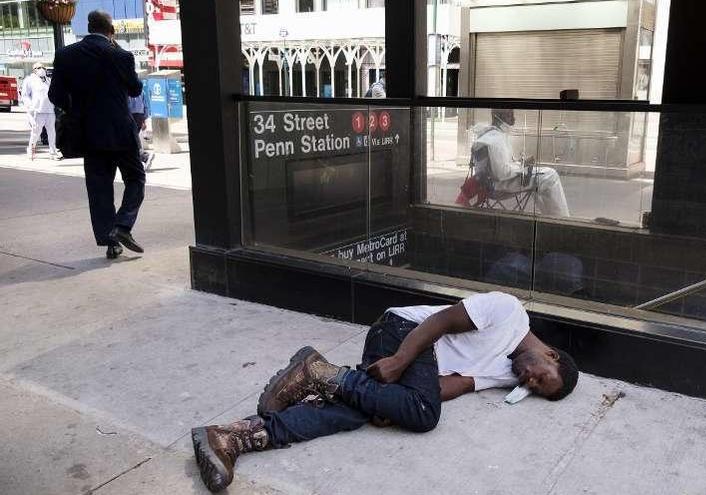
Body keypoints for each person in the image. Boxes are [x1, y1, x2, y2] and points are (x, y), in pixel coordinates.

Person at [191, 291, 580, 492]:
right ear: (550, 355)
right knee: (424, 417)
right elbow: (440, 321)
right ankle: (322, 375)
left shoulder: (508, 375)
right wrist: (398, 364)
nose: (529, 382)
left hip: (416, 368)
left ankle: (235, 437)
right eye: (540, 378)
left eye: (535, 390)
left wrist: (392, 403)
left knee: (364, 413)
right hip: (401, 331)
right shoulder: (509, 311)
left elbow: (452, 385)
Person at [49, 11, 146, 260]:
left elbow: (56, 96)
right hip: (121, 131)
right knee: (135, 178)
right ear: (110, 29)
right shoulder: (120, 55)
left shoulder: (66, 55)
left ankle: (110, 241)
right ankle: (123, 226)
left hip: (89, 133)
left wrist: (77, 108)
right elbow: (135, 88)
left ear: (89, 27)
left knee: (99, 188)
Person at [472, 109, 571, 217]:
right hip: (499, 186)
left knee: (538, 180)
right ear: (497, 117)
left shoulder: (487, 135)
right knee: (551, 175)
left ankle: (550, 216)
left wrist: (520, 165)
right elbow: (501, 173)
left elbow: (496, 168)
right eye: (509, 116)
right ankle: (562, 218)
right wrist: (522, 168)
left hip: (487, 186)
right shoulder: (496, 140)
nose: (513, 120)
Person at [21, 63, 60, 161]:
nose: (42, 69)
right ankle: (31, 149)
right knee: (36, 133)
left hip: (50, 110)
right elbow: (25, 95)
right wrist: (30, 107)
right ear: (34, 70)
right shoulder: (29, 80)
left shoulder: (48, 80)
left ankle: (53, 152)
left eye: (43, 67)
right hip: (37, 111)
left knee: (52, 132)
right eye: (39, 68)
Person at [128, 89, 154, 169]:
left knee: (129, 140)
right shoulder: (141, 90)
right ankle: (141, 159)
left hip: (130, 115)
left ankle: (144, 156)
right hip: (140, 116)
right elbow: (145, 105)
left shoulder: (125, 90)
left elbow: (125, 105)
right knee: (132, 139)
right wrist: (144, 120)